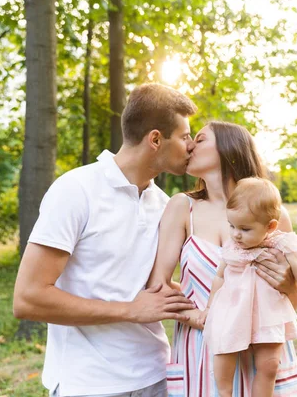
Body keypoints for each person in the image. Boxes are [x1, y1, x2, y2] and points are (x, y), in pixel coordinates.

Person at [13, 83, 199, 397]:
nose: (191, 145)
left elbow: (152, 285)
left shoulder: (166, 205)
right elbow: (28, 298)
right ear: (155, 139)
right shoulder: (75, 190)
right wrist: (130, 310)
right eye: (184, 136)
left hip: (157, 377)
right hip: (89, 384)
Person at [148, 121, 297, 396]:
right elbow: (158, 285)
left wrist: (289, 287)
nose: (189, 146)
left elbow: (293, 302)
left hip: (262, 352)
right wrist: (198, 316)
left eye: (199, 139)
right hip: (202, 349)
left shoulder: (274, 217)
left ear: (227, 148)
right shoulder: (182, 207)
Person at [201, 177, 297, 396]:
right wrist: (209, 308)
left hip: (268, 314)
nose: (236, 233)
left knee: (270, 365)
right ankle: (224, 392)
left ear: (270, 226)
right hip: (231, 312)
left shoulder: (283, 246)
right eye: (232, 225)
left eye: (245, 228)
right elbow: (219, 277)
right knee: (223, 356)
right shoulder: (233, 247)